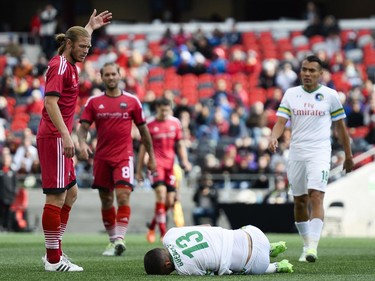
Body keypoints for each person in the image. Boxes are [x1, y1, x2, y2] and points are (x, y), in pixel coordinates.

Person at [36, 9, 112, 272]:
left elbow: (80, 38)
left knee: (71, 193)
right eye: (82, 47)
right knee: (56, 198)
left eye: (88, 47)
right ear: (68, 45)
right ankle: (53, 260)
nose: (86, 51)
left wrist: (90, 27)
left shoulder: (70, 63)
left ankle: (54, 250)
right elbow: (49, 102)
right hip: (54, 137)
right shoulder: (59, 67)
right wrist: (68, 137)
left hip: (61, 136)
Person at [268, 55, 354, 263]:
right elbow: (281, 121)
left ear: (320, 74)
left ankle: (312, 248)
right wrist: (273, 136)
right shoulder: (291, 94)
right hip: (297, 152)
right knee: (299, 201)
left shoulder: (330, 95)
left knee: (316, 196)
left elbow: (340, 128)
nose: (307, 73)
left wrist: (349, 155)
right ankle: (306, 244)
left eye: (312, 70)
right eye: (304, 69)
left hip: (320, 152)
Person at [77, 62, 156, 257]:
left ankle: (120, 239)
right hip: (102, 158)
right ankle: (113, 241)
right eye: (107, 75)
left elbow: (144, 131)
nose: (111, 78)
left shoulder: (132, 101)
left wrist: (151, 157)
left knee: (123, 196)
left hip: (123, 157)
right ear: (102, 78)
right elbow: (83, 127)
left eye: (114, 74)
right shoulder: (94, 102)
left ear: (119, 75)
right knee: (106, 200)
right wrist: (81, 144)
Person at [136, 97, 192, 243]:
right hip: (156, 165)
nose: (165, 113)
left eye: (167, 110)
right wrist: (139, 169)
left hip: (170, 166)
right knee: (161, 195)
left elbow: (179, 144)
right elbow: (143, 148)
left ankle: (152, 226)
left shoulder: (175, 123)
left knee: (169, 201)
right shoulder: (149, 124)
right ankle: (163, 234)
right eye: (162, 110)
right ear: (157, 109)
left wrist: (185, 160)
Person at [144, 224, 293, 275]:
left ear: (167, 265)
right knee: (231, 233)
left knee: (232, 270)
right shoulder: (170, 235)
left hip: (258, 263)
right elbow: (207, 227)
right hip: (255, 233)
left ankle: (276, 267)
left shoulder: (184, 270)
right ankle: (270, 247)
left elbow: (211, 273)